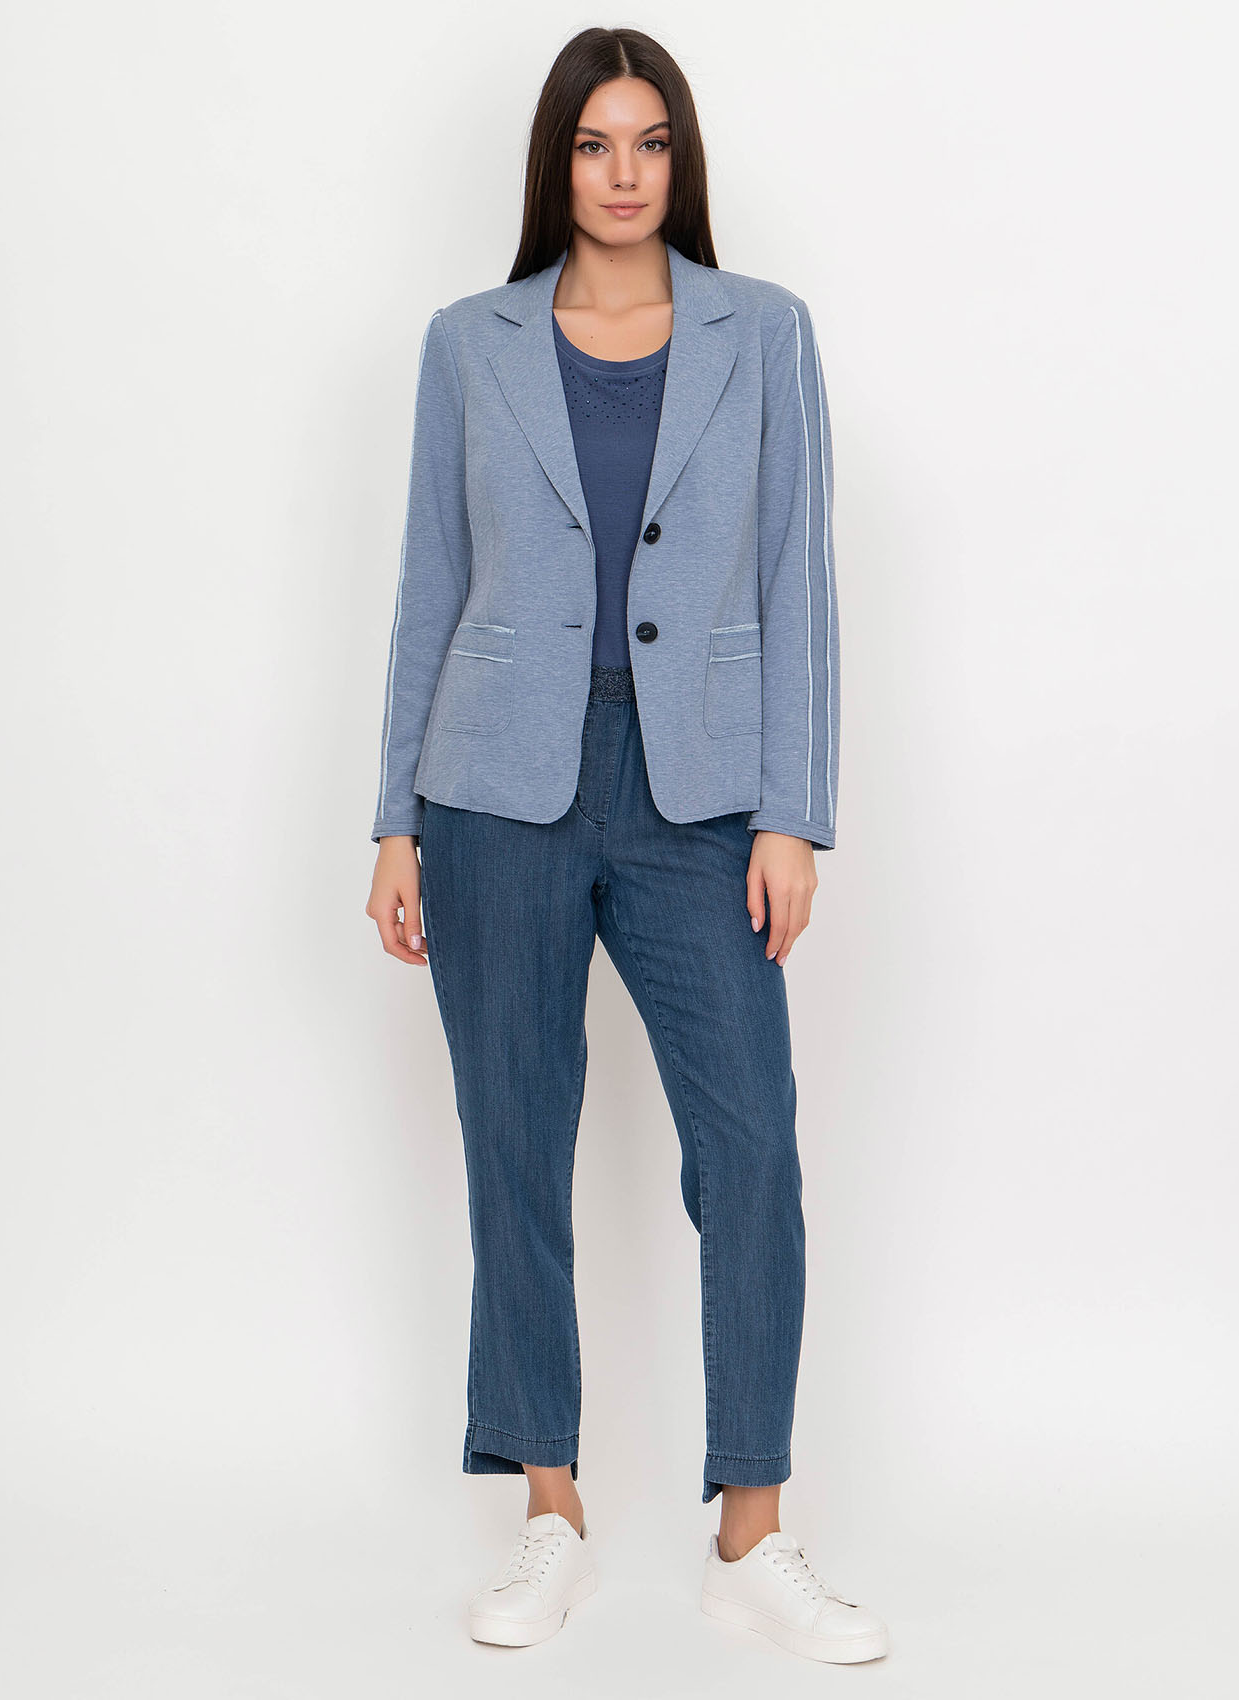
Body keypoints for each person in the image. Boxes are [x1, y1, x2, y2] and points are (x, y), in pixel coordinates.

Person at [365, 26, 889, 1666]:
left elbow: (799, 578)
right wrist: (395, 819)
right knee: (515, 1149)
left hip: (699, 794)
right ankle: (550, 1511)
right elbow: (428, 585)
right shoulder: (470, 342)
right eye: (595, 144)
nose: (623, 173)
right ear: (557, 162)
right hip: (494, 791)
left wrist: (793, 811)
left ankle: (754, 1533)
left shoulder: (763, 332)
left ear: (682, 160)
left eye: (650, 142)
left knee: (753, 1149)